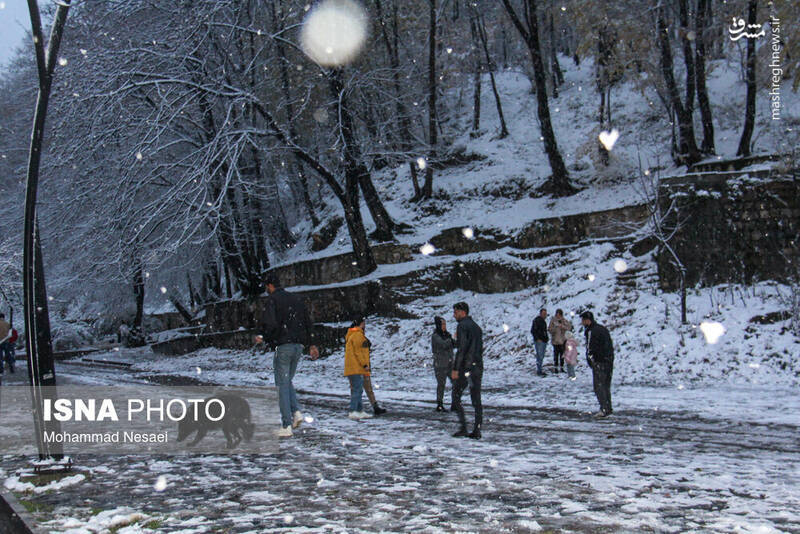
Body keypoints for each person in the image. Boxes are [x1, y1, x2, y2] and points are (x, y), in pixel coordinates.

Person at [259, 275, 320, 437]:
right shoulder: (296, 299)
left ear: (270, 286)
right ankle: (296, 412)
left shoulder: (273, 300)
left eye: (267, 287)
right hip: (298, 346)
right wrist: (311, 343)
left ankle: (286, 425)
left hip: (283, 345)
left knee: (281, 385)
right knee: (287, 381)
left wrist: (265, 337)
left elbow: (270, 324)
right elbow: (308, 322)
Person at [451, 302, 483, 439]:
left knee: (456, 396)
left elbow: (462, 349)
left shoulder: (462, 326)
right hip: (477, 364)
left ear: (462, 312)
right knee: (476, 398)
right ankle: (477, 429)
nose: (454, 315)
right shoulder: (476, 327)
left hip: (466, 366)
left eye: (456, 312)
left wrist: (456, 368)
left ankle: (463, 427)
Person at [580, 311, 614, 418]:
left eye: (583, 320)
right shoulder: (602, 329)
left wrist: (591, 360)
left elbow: (590, 348)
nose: (582, 322)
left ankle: (603, 408)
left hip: (599, 361)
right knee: (606, 385)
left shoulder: (591, 331)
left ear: (587, 320)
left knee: (599, 386)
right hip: (608, 360)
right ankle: (608, 407)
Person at [344, 316, 373, 420]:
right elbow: (359, 352)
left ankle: (359, 410)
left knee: (358, 389)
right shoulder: (358, 335)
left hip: (351, 367)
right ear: (361, 323)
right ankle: (353, 410)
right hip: (356, 367)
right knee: (357, 389)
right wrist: (365, 364)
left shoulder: (352, 335)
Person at [431, 316, 454, 412]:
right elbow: (443, 344)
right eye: (443, 324)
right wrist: (451, 340)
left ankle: (455, 403)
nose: (444, 326)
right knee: (441, 384)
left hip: (449, 363)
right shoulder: (435, 336)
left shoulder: (447, 335)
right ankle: (439, 404)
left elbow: (452, 344)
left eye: (445, 324)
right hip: (440, 364)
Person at [548, 309, 573, 373]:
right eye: (557, 315)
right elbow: (549, 329)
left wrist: (562, 326)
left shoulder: (564, 320)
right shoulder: (553, 321)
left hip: (562, 340)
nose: (558, 316)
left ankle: (561, 368)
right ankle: (556, 367)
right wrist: (555, 328)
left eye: (559, 315)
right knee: (556, 355)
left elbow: (569, 327)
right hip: (555, 340)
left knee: (562, 355)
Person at [530, 308, 548, 376]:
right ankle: (539, 371)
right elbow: (533, 331)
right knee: (539, 356)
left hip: (543, 340)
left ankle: (540, 369)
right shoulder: (537, 321)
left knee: (541, 356)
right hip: (539, 341)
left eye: (545, 314)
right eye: (544, 314)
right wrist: (537, 338)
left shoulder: (543, 321)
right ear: (540, 313)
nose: (545, 315)